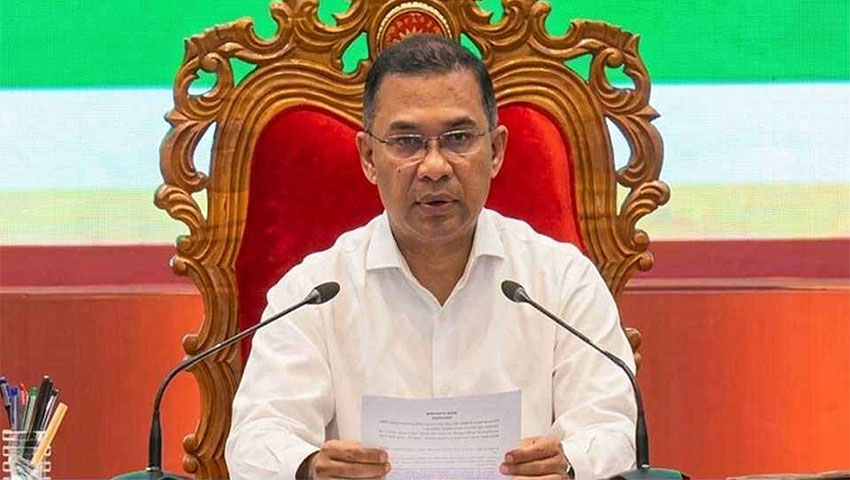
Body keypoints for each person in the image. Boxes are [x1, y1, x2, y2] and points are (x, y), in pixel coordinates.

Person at [225, 34, 636, 480]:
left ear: (496, 150)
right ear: (368, 157)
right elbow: (257, 437)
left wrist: (569, 464)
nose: (435, 167)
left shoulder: (561, 280)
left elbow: (611, 428)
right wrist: (308, 468)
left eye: (458, 138)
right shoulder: (314, 293)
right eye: (407, 142)